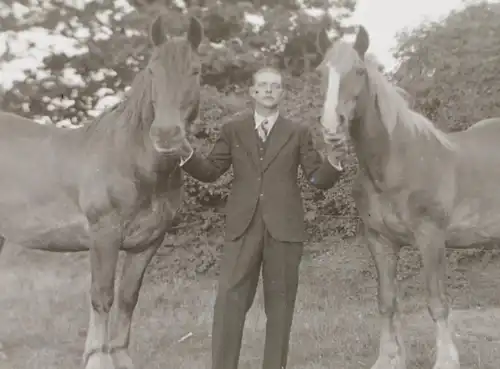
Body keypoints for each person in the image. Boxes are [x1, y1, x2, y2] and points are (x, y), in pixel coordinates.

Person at [177, 66, 346, 369]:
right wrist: (184, 152)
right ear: (253, 92)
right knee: (229, 302)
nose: (269, 90)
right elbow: (212, 171)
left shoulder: (297, 131)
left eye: (276, 86)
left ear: (282, 94)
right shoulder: (233, 129)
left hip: (285, 231)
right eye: (263, 86)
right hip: (242, 228)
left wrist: (333, 160)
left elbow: (317, 178)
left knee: (280, 308)